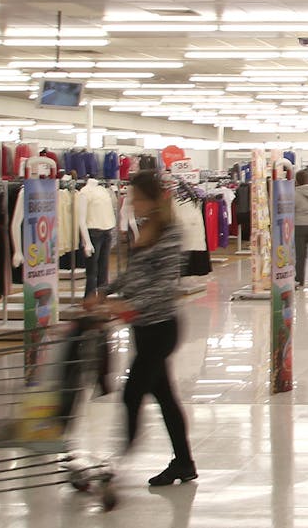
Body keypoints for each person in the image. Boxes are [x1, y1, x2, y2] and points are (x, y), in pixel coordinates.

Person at [85, 171, 197, 487]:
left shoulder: (171, 232)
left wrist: (129, 306)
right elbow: (134, 275)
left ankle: (117, 462)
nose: (131, 203)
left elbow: (164, 285)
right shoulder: (145, 228)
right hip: (144, 328)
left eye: (135, 198)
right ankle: (184, 462)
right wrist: (105, 291)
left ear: (151, 199)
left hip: (162, 327)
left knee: (132, 393)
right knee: (164, 396)